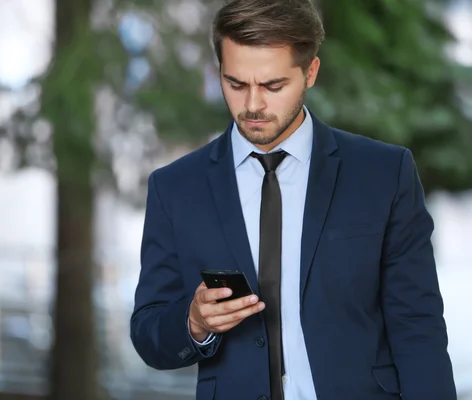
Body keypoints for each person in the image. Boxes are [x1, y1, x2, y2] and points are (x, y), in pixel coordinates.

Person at [129, 0, 457, 399]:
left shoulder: (384, 174)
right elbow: (148, 334)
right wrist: (194, 323)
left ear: (311, 72)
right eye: (236, 84)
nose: (252, 105)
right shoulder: (175, 187)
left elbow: (418, 326)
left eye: (273, 86)